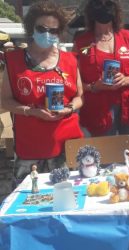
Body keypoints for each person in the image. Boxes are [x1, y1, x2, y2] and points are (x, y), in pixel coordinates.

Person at [1, 0, 84, 185]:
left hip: (66, 147)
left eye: (53, 30)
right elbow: (5, 101)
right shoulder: (14, 61)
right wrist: (31, 111)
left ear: (59, 32)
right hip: (30, 149)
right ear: (32, 28)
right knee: (31, 203)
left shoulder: (70, 60)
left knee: (69, 201)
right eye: (42, 28)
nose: (47, 34)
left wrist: (69, 108)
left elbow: (80, 97)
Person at [74, 0, 129, 153]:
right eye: (98, 4)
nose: (103, 8)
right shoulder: (81, 41)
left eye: (108, 4)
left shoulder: (128, 36)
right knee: (105, 159)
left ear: (115, 9)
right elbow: (75, 82)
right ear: (90, 10)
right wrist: (95, 86)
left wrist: (128, 79)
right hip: (99, 111)